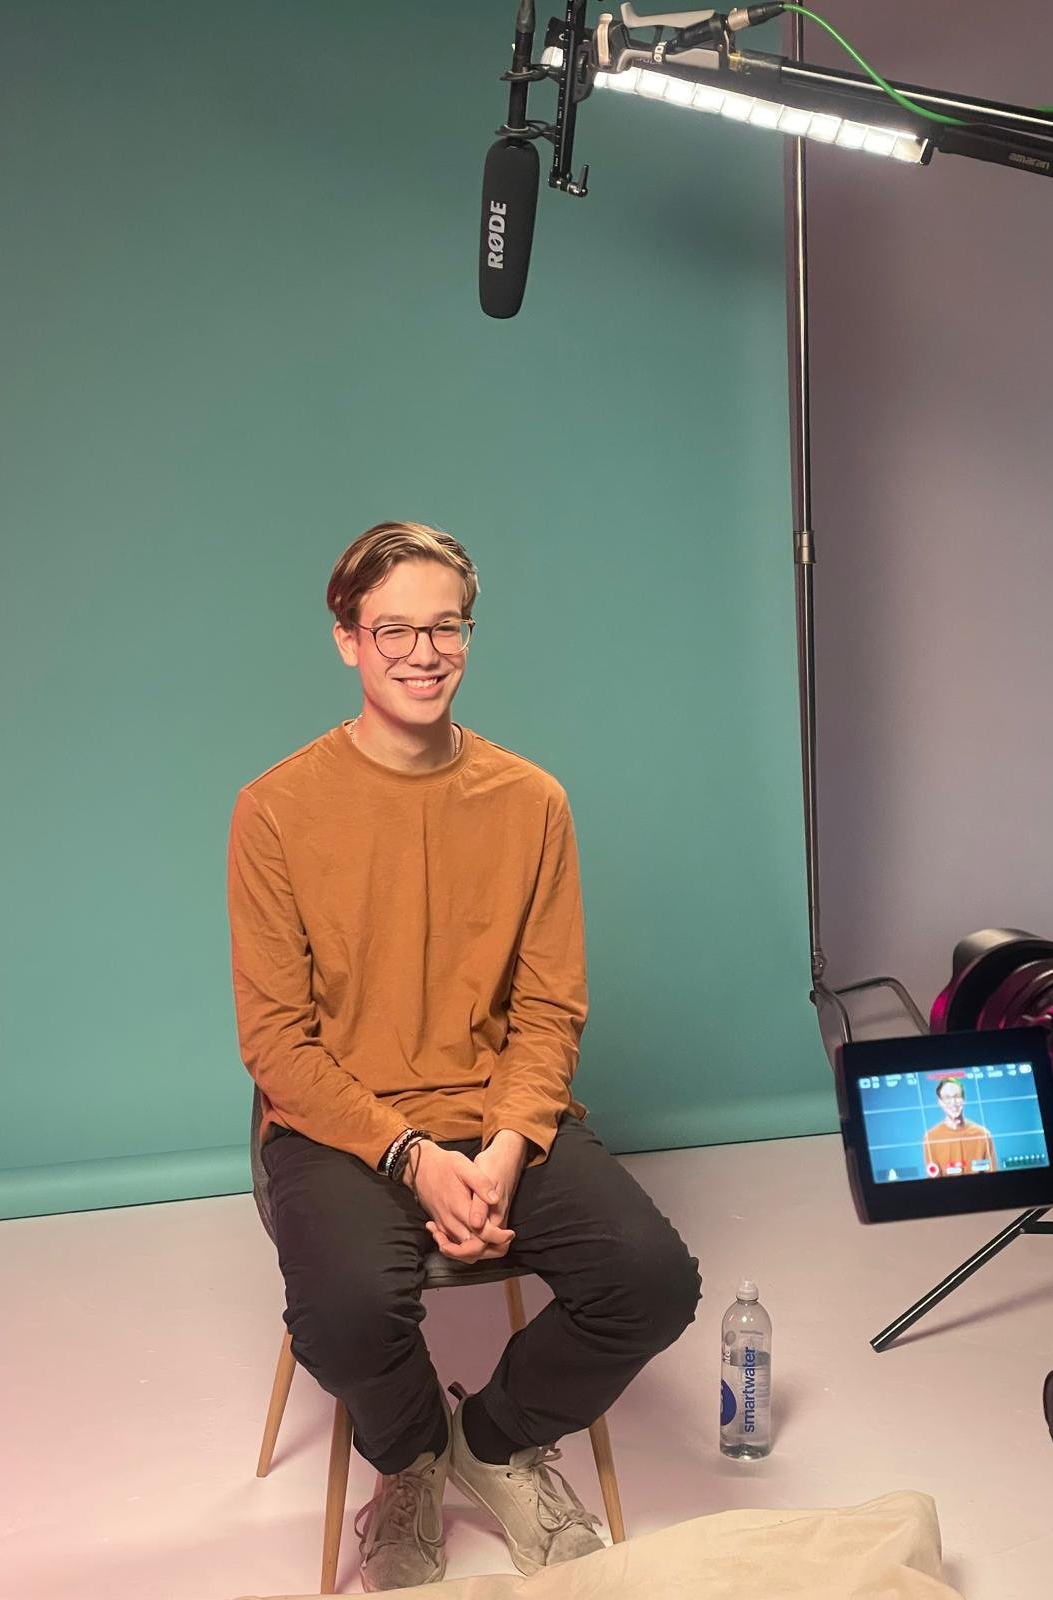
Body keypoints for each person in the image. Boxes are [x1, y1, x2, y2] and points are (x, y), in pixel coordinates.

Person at [227, 521, 701, 1591]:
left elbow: (547, 1008)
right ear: (347, 638)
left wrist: (500, 1148)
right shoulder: (276, 810)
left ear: (469, 636)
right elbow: (275, 1043)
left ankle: (490, 1442)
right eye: (394, 626)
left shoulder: (532, 801)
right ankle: (405, 1460)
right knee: (345, 1314)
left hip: (495, 1113)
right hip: (340, 1126)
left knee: (655, 1281)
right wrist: (410, 1157)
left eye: (447, 625)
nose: (424, 650)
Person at [922, 1077, 999, 1177]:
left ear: (963, 1099)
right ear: (940, 1102)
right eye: (947, 1098)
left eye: (957, 1096)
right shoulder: (931, 1137)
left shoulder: (983, 1134)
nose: (953, 1103)